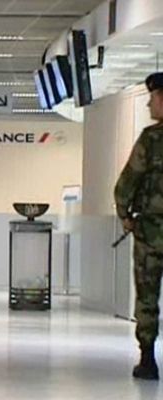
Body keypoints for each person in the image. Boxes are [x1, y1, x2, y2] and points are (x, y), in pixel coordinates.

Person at [114, 72, 163, 381]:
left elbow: (126, 184)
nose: (148, 103)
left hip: (151, 233)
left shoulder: (151, 138)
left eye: (153, 97)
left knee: (147, 294)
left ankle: (147, 360)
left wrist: (125, 216)